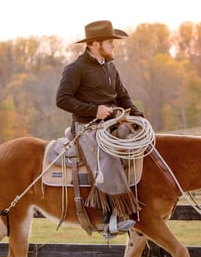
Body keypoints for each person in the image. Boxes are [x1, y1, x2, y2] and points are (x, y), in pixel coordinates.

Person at [56, 20, 145, 237]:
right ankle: (110, 217)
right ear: (95, 44)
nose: (114, 46)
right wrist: (94, 110)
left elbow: (123, 96)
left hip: (114, 123)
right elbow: (62, 99)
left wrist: (139, 116)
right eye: (110, 42)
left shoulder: (110, 67)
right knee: (109, 156)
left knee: (138, 142)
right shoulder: (75, 69)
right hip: (86, 126)